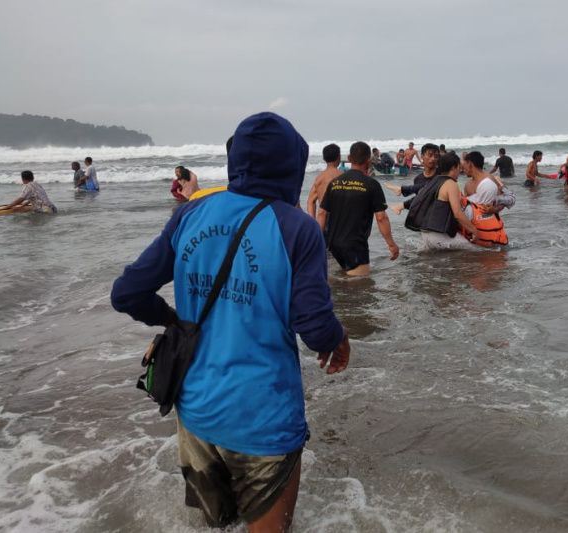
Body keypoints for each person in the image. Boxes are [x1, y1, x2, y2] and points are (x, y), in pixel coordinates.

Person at [111, 112, 350, 531]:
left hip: (197, 411)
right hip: (263, 417)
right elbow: (313, 326)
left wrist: (173, 321)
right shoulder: (297, 228)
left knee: (216, 525)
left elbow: (127, 293)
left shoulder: (191, 213)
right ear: (292, 163)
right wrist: (339, 340)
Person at [317, 141, 399, 275]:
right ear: (369, 161)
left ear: (349, 159)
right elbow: (381, 217)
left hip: (333, 245)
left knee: (342, 281)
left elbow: (321, 213)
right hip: (355, 245)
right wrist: (391, 244)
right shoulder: (371, 184)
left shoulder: (335, 183)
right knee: (359, 287)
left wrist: (317, 241)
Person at [404, 152, 478, 250]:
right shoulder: (451, 184)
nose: (460, 171)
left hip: (425, 234)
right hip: (438, 236)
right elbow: (457, 213)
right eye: (459, 168)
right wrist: (474, 231)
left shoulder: (434, 181)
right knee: (477, 251)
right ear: (453, 168)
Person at [461, 151, 510, 247]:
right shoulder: (468, 185)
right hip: (474, 230)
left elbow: (505, 200)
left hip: (489, 227)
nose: (463, 168)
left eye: (465, 165)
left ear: (470, 164)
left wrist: (494, 209)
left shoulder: (490, 180)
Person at [386, 143, 440, 214]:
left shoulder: (441, 175)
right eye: (430, 155)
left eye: (436, 156)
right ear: (422, 156)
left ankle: (401, 190)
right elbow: (419, 200)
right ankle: (401, 192)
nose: (433, 159)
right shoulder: (418, 179)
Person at [306, 143, 341, 218]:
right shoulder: (342, 176)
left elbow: (310, 202)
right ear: (339, 157)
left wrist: (313, 222)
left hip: (323, 220)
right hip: (340, 221)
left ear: (324, 159)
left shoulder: (319, 178)